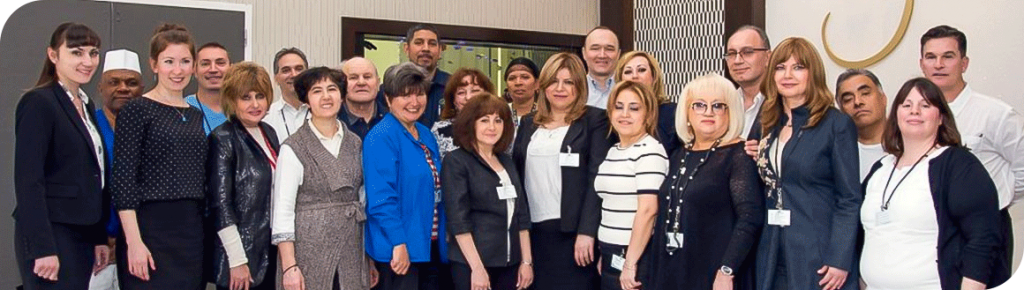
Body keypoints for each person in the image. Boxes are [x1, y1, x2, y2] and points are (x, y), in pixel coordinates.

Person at [860, 77, 1010, 290]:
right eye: (907, 105)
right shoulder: (880, 168)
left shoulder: (956, 164)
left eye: (925, 105)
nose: (915, 111)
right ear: (896, 115)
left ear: (940, 118)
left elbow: (983, 238)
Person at [749, 37, 861, 290]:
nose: (787, 75)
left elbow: (849, 198)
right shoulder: (767, 123)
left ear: (814, 73)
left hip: (818, 253)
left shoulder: (835, 124)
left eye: (798, 67)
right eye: (780, 67)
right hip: (772, 248)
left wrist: (840, 258)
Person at [648, 73, 764, 290]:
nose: (708, 112)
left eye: (718, 105)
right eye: (699, 105)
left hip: (715, 274)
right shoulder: (678, 154)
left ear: (731, 112)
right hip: (672, 267)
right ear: (686, 111)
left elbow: (750, 218)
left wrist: (727, 270)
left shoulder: (739, 154)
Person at [112, 23, 207, 289]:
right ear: (154, 65)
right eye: (169, 62)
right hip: (149, 229)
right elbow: (123, 180)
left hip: (190, 230)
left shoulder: (195, 114)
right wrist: (134, 242)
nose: (178, 70)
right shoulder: (136, 110)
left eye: (185, 61)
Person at [14, 22, 108, 290]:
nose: (88, 61)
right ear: (53, 55)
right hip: (53, 232)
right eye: (77, 53)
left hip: (80, 231)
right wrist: (42, 248)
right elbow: (29, 181)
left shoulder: (85, 103)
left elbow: (93, 172)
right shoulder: (39, 102)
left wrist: (98, 236)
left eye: (93, 53)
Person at [919, 25, 1023, 265]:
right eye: (931, 57)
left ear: (964, 63)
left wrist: (992, 199)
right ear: (922, 64)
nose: (938, 65)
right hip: (930, 230)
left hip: (983, 230)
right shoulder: (914, 116)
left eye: (948, 56)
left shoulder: (996, 114)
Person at [511, 52, 611, 290]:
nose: (560, 88)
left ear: (579, 86)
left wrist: (587, 232)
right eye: (554, 81)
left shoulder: (594, 120)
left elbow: (597, 179)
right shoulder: (529, 122)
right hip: (533, 233)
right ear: (543, 86)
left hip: (574, 235)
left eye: (569, 82)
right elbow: (516, 173)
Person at [271, 66, 376, 290]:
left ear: (341, 95)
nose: (326, 97)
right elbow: (282, 210)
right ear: (307, 100)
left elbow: (362, 197)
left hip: (351, 246)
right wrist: (289, 267)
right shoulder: (293, 147)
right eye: (317, 91)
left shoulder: (355, 142)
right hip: (308, 250)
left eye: (332, 89)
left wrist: (369, 260)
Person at [364, 62, 452, 290]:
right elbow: (381, 198)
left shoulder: (424, 133)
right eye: (405, 96)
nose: (414, 102)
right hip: (399, 249)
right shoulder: (381, 137)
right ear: (388, 99)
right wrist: (398, 241)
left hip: (427, 244)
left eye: (420, 94)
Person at [442, 93, 534, 290]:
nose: (492, 127)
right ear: (470, 123)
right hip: (474, 264)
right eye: (484, 120)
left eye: (498, 120)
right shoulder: (456, 161)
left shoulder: (506, 161)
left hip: (510, 263)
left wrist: (526, 262)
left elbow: (522, 216)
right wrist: (477, 268)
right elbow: (459, 221)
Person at [206, 62, 279, 290]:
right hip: (240, 256)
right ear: (232, 100)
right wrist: (237, 260)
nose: (255, 104)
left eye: (260, 96)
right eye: (246, 97)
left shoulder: (269, 132)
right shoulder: (223, 138)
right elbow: (220, 205)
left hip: (270, 250)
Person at [592, 81, 668, 290]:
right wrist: (605, 253)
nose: (625, 114)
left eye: (634, 108)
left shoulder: (650, 151)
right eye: (618, 106)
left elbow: (648, 210)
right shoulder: (614, 150)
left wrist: (630, 262)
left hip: (636, 256)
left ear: (648, 114)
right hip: (611, 252)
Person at [89, 48, 144, 290]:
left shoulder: (151, 128)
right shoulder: (88, 125)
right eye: (114, 82)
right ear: (100, 87)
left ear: (141, 88)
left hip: (140, 248)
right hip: (95, 250)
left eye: (131, 82)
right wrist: (100, 238)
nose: (123, 88)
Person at [377, 24, 451, 127]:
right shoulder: (389, 87)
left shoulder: (452, 87)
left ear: (440, 51)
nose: (426, 48)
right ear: (406, 49)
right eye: (419, 43)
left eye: (432, 44)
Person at [613, 50, 679, 153]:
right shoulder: (615, 116)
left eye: (641, 70)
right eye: (628, 72)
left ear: (654, 77)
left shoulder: (673, 113)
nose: (634, 76)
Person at [834, 69, 888, 181]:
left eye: (865, 93)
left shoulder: (908, 145)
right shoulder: (836, 153)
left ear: (883, 99)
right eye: (848, 99)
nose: (857, 102)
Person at [432, 68, 496, 159]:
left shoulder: (498, 126)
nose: (468, 97)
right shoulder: (439, 130)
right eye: (461, 93)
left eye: (475, 91)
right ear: (453, 100)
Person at [725, 25, 771, 138]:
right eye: (731, 53)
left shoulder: (783, 103)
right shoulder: (722, 105)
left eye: (747, 52)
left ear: (768, 57)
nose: (737, 60)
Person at [263, 47, 309, 143]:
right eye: (286, 70)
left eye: (299, 69)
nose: (294, 75)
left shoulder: (323, 112)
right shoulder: (266, 117)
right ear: (276, 78)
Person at [185, 42, 231, 134]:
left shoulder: (242, 109)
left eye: (220, 63)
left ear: (231, 68)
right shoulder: (182, 110)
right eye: (205, 64)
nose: (213, 69)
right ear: (194, 70)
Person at [338, 56, 387, 139]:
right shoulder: (332, 121)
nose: (361, 82)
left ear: (378, 83)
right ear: (341, 85)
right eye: (353, 77)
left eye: (367, 77)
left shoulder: (393, 119)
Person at [582, 27, 620, 109]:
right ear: (584, 53)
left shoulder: (629, 91)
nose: (602, 55)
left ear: (618, 54)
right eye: (595, 49)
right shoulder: (573, 91)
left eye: (609, 49)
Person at [504, 57, 540, 135]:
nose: (518, 83)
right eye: (512, 78)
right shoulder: (500, 112)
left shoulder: (546, 113)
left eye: (525, 77)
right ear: (506, 85)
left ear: (537, 84)